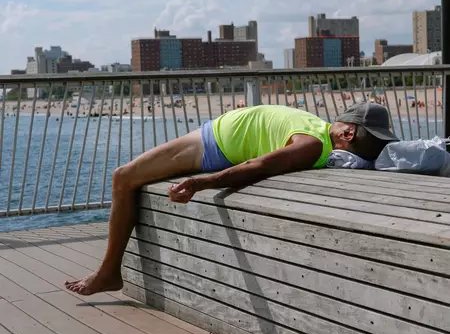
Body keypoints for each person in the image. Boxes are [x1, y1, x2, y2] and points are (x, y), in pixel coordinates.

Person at [65, 102, 398, 296]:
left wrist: (202, 182)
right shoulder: (315, 137)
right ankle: (109, 271)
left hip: (214, 145)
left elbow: (259, 166)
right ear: (350, 133)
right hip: (218, 140)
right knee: (126, 177)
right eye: (373, 142)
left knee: (122, 177)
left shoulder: (313, 142)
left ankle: (109, 272)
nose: (373, 149)